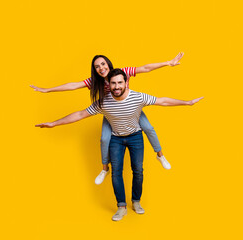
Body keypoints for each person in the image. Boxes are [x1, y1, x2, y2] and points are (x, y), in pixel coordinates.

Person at [36, 68, 203, 221]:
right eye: (113, 83)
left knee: (138, 170)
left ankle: (136, 201)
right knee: (117, 173)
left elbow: (162, 101)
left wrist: (186, 102)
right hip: (116, 139)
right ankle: (121, 207)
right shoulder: (103, 102)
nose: (116, 86)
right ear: (109, 84)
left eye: (120, 82)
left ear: (126, 83)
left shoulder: (137, 97)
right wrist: (55, 123)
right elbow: (80, 114)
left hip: (136, 137)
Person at [31, 53, 184, 185]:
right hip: (111, 113)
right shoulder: (94, 82)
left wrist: (167, 63)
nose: (101, 68)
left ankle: (160, 156)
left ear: (108, 64)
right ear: (95, 69)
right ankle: (105, 169)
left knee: (149, 128)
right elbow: (73, 86)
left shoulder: (122, 73)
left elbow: (145, 68)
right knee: (104, 139)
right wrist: (48, 90)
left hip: (131, 109)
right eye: (97, 66)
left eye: (103, 64)